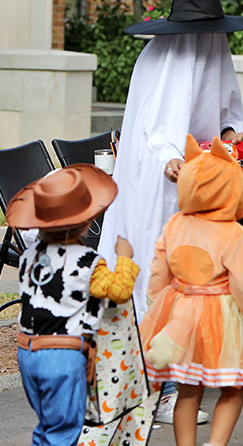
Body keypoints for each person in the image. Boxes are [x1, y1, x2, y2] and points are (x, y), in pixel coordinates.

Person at [99, 0, 243, 425]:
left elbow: (227, 107)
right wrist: (170, 159)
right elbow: (154, 128)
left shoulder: (214, 45)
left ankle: (181, 377)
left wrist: (231, 134)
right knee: (161, 277)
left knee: (195, 282)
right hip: (158, 189)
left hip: (199, 184)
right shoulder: (159, 60)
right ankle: (156, 382)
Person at [139, 136, 243, 446]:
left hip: (180, 312)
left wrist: (159, 308)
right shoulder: (235, 233)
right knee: (233, 387)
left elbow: (158, 273)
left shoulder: (174, 224)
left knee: (187, 387)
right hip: (220, 318)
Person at [6, 165, 138, 446]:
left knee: (48, 426)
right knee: (64, 431)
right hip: (62, 357)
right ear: (86, 221)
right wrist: (125, 259)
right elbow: (120, 291)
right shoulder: (88, 261)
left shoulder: (30, 256)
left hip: (27, 352)